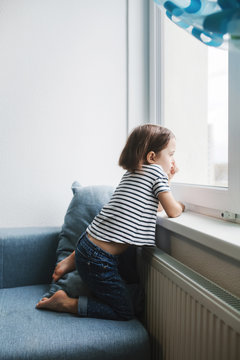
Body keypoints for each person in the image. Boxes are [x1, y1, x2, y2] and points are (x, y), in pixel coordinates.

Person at [36, 124, 185, 320]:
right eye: (170, 154)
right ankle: (66, 303)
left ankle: (70, 261)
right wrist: (180, 204)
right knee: (124, 311)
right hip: (98, 260)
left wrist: (168, 179)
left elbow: (155, 206)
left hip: (87, 244)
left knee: (99, 234)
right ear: (152, 157)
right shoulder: (156, 173)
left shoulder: (132, 174)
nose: (173, 160)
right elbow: (172, 210)